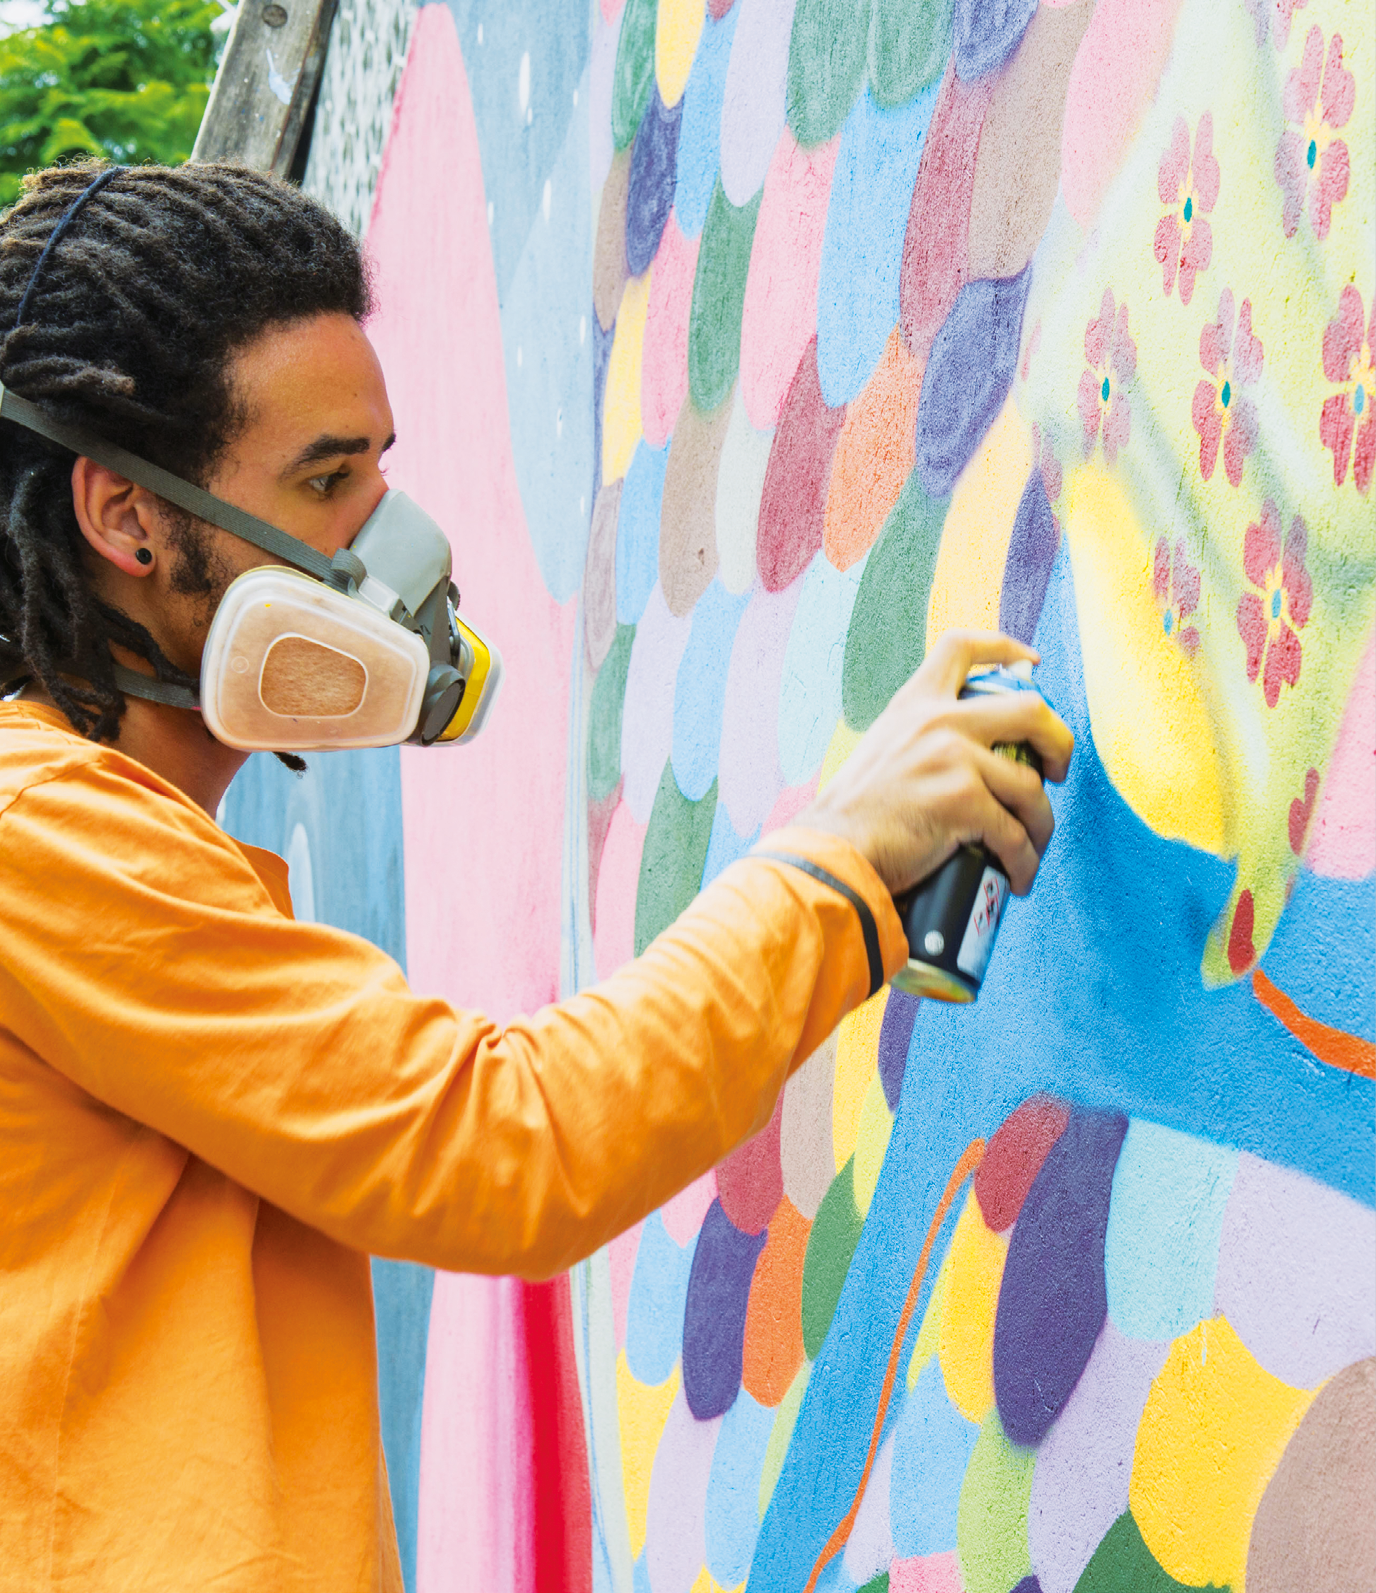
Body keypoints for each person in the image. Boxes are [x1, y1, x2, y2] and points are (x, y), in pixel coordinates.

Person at [0, 162, 1073, 1591]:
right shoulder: (37, 835)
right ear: (127, 521)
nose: (390, 546)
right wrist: (844, 866)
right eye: (328, 479)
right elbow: (506, 1147)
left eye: (380, 468)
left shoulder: (109, 845)